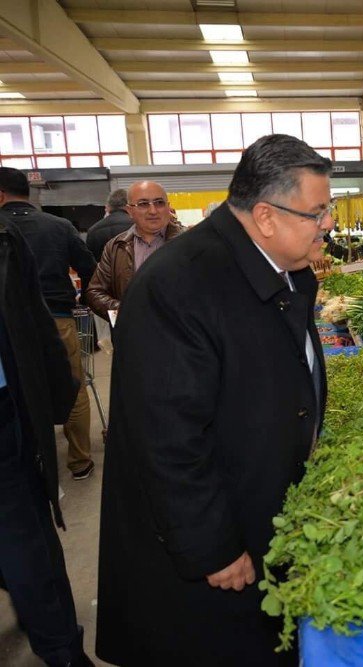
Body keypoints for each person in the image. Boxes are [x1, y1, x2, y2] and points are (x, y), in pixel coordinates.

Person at [95, 134, 331, 666]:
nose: (329, 223)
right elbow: (166, 437)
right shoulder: (181, 284)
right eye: (317, 211)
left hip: (258, 502)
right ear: (266, 216)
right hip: (213, 540)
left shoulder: (279, 268)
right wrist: (213, 546)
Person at [0, 210, 96, 667]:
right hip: (9, 409)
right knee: (25, 540)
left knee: (24, 541)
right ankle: (62, 650)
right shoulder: (13, 235)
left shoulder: (8, 236)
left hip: (9, 413)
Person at [0, 167, 97, 480]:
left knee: (17, 388)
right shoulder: (59, 226)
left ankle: (30, 457)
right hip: (58, 318)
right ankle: (80, 459)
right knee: (73, 386)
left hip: (8, 328)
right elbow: (89, 268)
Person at [85, 181, 183, 323]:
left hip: (182, 337)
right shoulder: (115, 247)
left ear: (168, 207)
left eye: (159, 203)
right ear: (129, 211)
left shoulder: (191, 243)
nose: (153, 210)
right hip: (132, 338)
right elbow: (94, 294)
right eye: (143, 204)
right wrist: (125, 315)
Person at [86, 188, 133, 262]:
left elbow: (91, 261)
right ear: (129, 205)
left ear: (109, 206)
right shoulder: (137, 225)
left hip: (105, 272)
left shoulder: (93, 230)